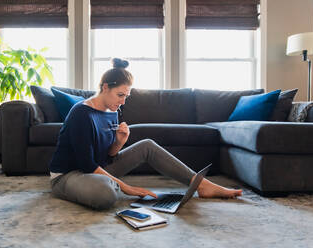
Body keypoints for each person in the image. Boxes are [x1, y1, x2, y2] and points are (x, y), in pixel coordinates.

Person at [49, 58, 242, 210]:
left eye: (126, 96)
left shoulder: (114, 111)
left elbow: (107, 156)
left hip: (97, 169)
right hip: (69, 175)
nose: (123, 101)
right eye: (120, 95)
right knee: (105, 196)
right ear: (105, 87)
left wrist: (119, 142)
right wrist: (127, 188)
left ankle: (202, 185)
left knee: (147, 145)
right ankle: (104, 187)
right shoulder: (81, 113)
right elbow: (86, 164)